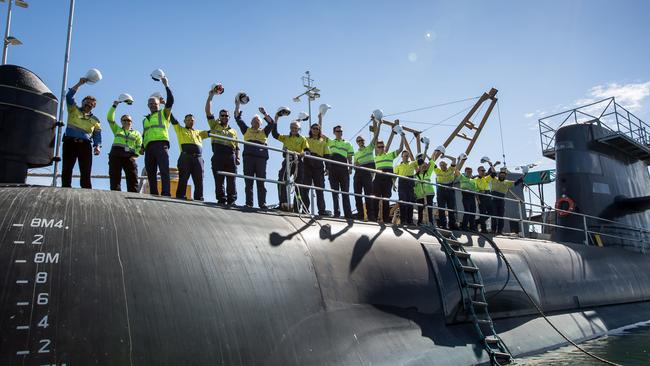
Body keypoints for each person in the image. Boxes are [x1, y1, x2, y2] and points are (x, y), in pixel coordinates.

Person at [62, 77, 101, 189]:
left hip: (85, 145)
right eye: (86, 102)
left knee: (86, 170)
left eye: (91, 104)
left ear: (93, 107)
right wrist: (79, 83)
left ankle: (86, 191)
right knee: (67, 168)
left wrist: (97, 146)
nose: (88, 105)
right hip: (70, 143)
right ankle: (65, 189)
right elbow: (69, 96)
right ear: (82, 102)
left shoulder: (96, 120)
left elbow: (97, 135)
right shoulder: (73, 109)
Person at [234, 102, 274, 208]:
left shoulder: (264, 132)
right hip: (249, 158)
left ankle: (262, 203)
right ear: (251, 123)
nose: (256, 123)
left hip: (261, 159)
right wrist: (237, 104)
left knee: (261, 182)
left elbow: (271, 123)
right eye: (254, 121)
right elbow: (238, 119)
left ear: (261, 123)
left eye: (258, 121)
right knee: (248, 182)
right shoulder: (246, 130)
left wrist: (264, 113)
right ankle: (249, 203)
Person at [206, 88, 240, 205]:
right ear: (219, 117)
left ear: (229, 117)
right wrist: (211, 97)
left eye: (226, 115)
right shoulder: (214, 125)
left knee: (232, 179)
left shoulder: (233, 131)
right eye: (222, 115)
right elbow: (208, 112)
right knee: (219, 179)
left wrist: (237, 157)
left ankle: (232, 200)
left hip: (230, 156)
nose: (224, 117)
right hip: (218, 155)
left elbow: (237, 146)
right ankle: (221, 199)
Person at [143, 76, 173, 196]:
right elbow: (144, 133)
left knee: (164, 170)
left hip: (161, 145)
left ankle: (166, 193)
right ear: (148, 105)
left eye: (154, 103)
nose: (152, 105)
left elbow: (170, 101)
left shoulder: (164, 113)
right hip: (148, 148)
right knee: (150, 172)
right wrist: (141, 146)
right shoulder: (145, 120)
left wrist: (166, 85)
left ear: (159, 104)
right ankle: (154, 193)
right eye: (150, 103)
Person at [271, 115, 309, 211]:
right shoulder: (286, 138)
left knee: (299, 184)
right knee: (281, 179)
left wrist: (303, 153)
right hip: (287, 160)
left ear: (298, 129)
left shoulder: (303, 139)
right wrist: (276, 120)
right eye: (292, 127)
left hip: (298, 162)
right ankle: (283, 203)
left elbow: (307, 151)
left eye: (295, 128)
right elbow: (275, 134)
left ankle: (297, 207)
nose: (293, 129)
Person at [171, 114, 210, 200]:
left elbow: (210, 133)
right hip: (185, 157)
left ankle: (199, 198)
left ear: (194, 121)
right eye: (188, 120)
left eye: (192, 120)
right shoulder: (180, 129)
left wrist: (217, 123)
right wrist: (167, 106)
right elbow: (173, 120)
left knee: (199, 180)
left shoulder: (199, 132)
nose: (190, 121)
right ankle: (181, 196)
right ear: (184, 121)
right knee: (183, 178)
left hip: (198, 158)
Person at [372, 124, 405, 223]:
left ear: (384, 147)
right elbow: (375, 138)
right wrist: (378, 123)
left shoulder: (390, 155)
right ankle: (373, 218)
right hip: (378, 177)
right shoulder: (376, 156)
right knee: (375, 199)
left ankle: (386, 219)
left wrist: (402, 136)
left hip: (387, 178)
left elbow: (400, 149)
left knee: (386, 199)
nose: (381, 148)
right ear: (377, 148)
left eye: (382, 146)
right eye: (379, 146)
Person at [107, 100, 142, 192]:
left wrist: (135, 156)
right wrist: (114, 105)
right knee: (115, 176)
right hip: (116, 155)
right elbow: (110, 118)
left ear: (132, 122)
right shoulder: (117, 129)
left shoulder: (137, 133)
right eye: (124, 120)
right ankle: (115, 194)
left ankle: (133, 195)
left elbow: (139, 145)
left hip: (129, 156)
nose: (127, 121)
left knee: (132, 176)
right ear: (121, 122)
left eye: (129, 120)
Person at [325, 123, 354, 219]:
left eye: (341, 131)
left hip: (343, 169)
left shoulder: (347, 143)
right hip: (333, 169)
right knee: (335, 192)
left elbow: (349, 157)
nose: (339, 133)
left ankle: (348, 214)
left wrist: (350, 167)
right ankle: (337, 213)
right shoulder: (330, 141)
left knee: (345, 192)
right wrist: (320, 116)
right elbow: (320, 134)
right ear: (334, 132)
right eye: (338, 131)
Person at [353, 119, 379, 220]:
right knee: (357, 194)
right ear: (357, 142)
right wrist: (355, 164)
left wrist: (379, 123)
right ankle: (360, 215)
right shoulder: (356, 154)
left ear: (364, 141)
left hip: (367, 173)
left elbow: (376, 136)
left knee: (368, 195)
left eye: (362, 140)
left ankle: (371, 215)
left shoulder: (369, 148)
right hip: (358, 173)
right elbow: (355, 164)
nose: (360, 142)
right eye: (358, 140)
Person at [303, 119, 330, 215]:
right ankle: (305, 209)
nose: (315, 130)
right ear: (311, 129)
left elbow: (327, 156)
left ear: (319, 131)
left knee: (320, 189)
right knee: (305, 188)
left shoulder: (323, 142)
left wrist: (327, 168)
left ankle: (321, 210)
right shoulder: (306, 139)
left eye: (317, 129)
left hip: (318, 164)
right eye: (314, 128)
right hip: (307, 164)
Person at [490, 167, 524, 235]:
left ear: (505, 176)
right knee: (494, 215)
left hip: (501, 200)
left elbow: (515, 183)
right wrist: (491, 164)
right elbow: (493, 173)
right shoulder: (494, 179)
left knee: (501, 216)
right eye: (501, 174)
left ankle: (499, 230)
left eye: (504, 175)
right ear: (499, 175)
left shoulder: (507, 182)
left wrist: (521, 179)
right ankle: (493, 230)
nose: (502, 175)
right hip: (493, 199)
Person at [431, 154, 460, 229]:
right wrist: (435, 153)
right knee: (441, 208)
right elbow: (432, 162)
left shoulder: (451, 169)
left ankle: (452, 224)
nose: (442, 166)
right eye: (441, 165)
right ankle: (443, 224)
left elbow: (454, 159)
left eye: (443, 165)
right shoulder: (437, 170)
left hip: (450, 189)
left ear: (446, 165)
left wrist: (445, 156)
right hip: (441, 191)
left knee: (451, 208)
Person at [394, 150, 417, 225]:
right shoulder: (398, 166)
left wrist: (426, 148)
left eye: (407, 156)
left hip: (410, 182)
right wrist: (393, 184)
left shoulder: (413, 163)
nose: (406, 157)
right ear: (402, 156)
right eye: (405, 156)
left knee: (410, 202)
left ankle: (410, 221)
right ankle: (403, 220)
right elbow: (394, 176)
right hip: (402, 183)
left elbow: (421, 161)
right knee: (402, 202)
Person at [414, 153, 436, 226]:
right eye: (421, 166)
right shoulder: (415, 176)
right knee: (420, 209)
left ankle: (431, 222)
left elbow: (432, 163)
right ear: (419, 166)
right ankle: (419, 223)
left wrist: (426, 155)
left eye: (424, 166)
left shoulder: (427, 173)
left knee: (429, 209)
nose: (423, 167)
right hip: (420, 195)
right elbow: (414, 186)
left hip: (429, 194)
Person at [475, 164, 495, 233]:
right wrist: (478, 200)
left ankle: (477, 221)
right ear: (478, 171)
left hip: (488, 196)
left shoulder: (486, 178)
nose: (483, 172)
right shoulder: (475, 180)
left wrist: (491, 164)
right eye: (482, 170)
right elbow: (475, 190)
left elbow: (494, 173)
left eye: (484, 170)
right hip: (481, 197)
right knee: (482, 213)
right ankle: (484, 229)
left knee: (491, 212)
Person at [458, 165, 479, 231]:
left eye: (470, 171)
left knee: (473, 212)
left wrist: (478, 199)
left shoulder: (473, 180)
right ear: (465, 172)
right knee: (467, 211)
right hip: (466, 195)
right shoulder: (462, 177)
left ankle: (472, 227)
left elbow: (476, 190)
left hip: (472, 196)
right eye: (468, 171)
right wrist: (459, 160)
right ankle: (464, 226)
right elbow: (456, 171)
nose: (469, 173)